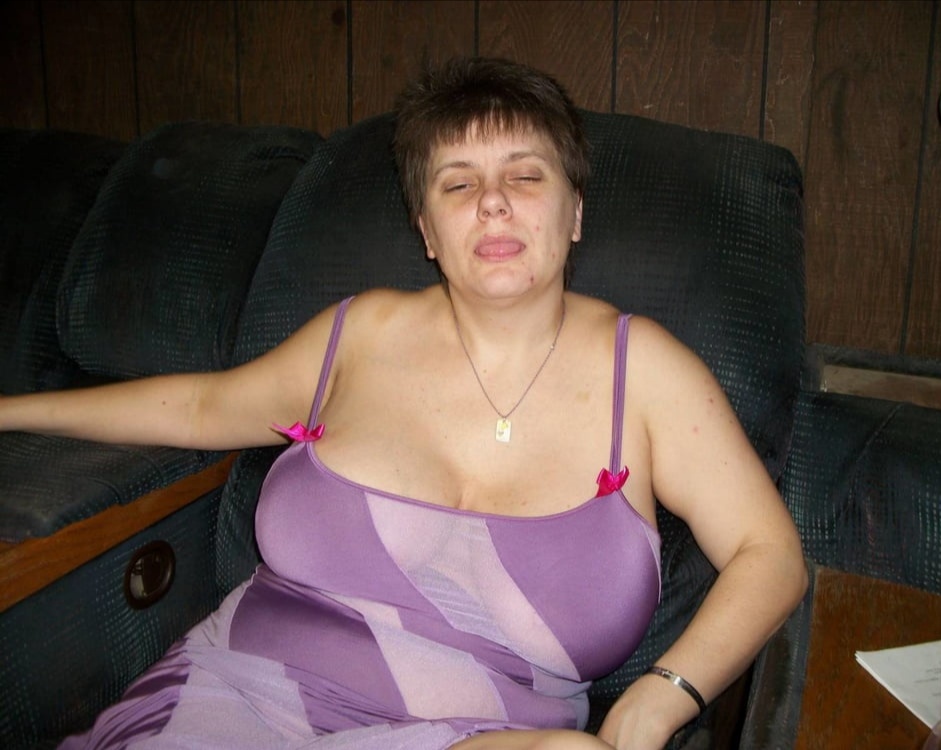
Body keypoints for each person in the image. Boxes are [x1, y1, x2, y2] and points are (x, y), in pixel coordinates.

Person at [0, 57, 807, 750]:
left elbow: (768, 553)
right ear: (426, 230)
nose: (493, 202)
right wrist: (9, 411)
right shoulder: (361, 334)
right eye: (458, 183)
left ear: (574, 214)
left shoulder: (648, 373)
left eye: (525, 175)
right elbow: (200, 408)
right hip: (236, 703)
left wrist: (662, 695)